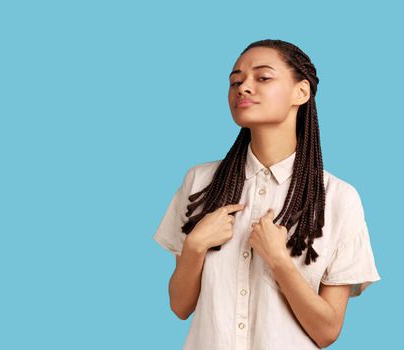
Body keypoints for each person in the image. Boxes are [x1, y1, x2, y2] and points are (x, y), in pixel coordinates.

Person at [153, 39, 381, 349]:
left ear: (301, 92)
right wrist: (194, 246)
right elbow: (180, 306)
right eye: (236, 81)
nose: (243, 88)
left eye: (262, 77)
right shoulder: (199, 182)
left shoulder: (338, 198)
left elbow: (327, 331)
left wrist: (279, 261)